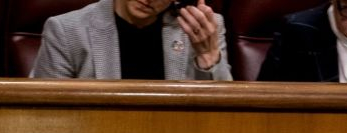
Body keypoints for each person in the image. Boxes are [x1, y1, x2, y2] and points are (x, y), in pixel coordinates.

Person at [30, 0, 232, 81]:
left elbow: (231, 118)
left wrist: (209, 58)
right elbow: (43, 115)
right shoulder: (67, 31)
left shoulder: (204, 29)